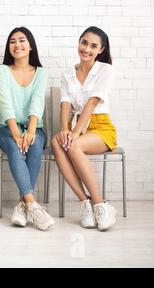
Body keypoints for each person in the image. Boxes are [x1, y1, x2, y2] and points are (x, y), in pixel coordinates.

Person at [52, 26, 117, 231]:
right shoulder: (67, 74)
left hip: (100, 127)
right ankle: (86, 203)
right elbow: (65, 106)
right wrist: (64, 130)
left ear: (101, 49)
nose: (87, 48)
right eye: (84, 42)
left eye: (93, 45)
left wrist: (74, 134)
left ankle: (101, 205)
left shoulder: (105, 70)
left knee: (73, 145)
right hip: (76, 126)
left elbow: (91, 103)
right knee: (57, 141)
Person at [0, 27, 55, 231]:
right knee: (14, 146)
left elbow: (37, 103)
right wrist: (17, 134)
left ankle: (22, 205)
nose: (17, 45)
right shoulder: (2, 70)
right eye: (12, 41)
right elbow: (5, 104)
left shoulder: (42, 72)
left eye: (21, 40)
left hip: (33, 126)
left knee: (35, 143)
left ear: (30, 45)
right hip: (5, 128)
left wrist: (30, 131)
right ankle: (32, 204)